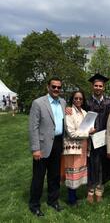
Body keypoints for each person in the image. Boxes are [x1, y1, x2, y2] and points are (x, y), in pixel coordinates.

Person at [28, 77, 66, 217]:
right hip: (42, 145)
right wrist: (35, 148)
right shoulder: (38, 103)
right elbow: (33, 128)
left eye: (59, 87)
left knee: (54, 176)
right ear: (48, 87)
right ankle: (34, 205)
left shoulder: (62, 102)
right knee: (38, 177)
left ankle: (53, 200)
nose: (56, 89)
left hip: (58, 143)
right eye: (53, 86)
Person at [86, 73, 110, 203]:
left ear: (104, 87)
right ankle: (90, 189)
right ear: (92, 87)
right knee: (91, 163)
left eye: (100, 86)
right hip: (90, 139)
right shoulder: (86, 102)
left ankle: (100, 188)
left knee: (104, 163)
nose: (98, 88)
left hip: (105, 139)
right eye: (96, 85)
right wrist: (68, 109)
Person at [61, 90, 95, 206]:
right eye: (76, 98)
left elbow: (88, 127)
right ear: (72, 99)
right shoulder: (69, 112)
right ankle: (71, 200)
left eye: (80, 98)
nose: (78, 100)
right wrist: (87, 134)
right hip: (73, 147)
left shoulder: (85, 112)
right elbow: (71, 133)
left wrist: (91, 130)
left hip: (84, 147)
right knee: (72, 173)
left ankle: (74, 196)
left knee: (79, 172)